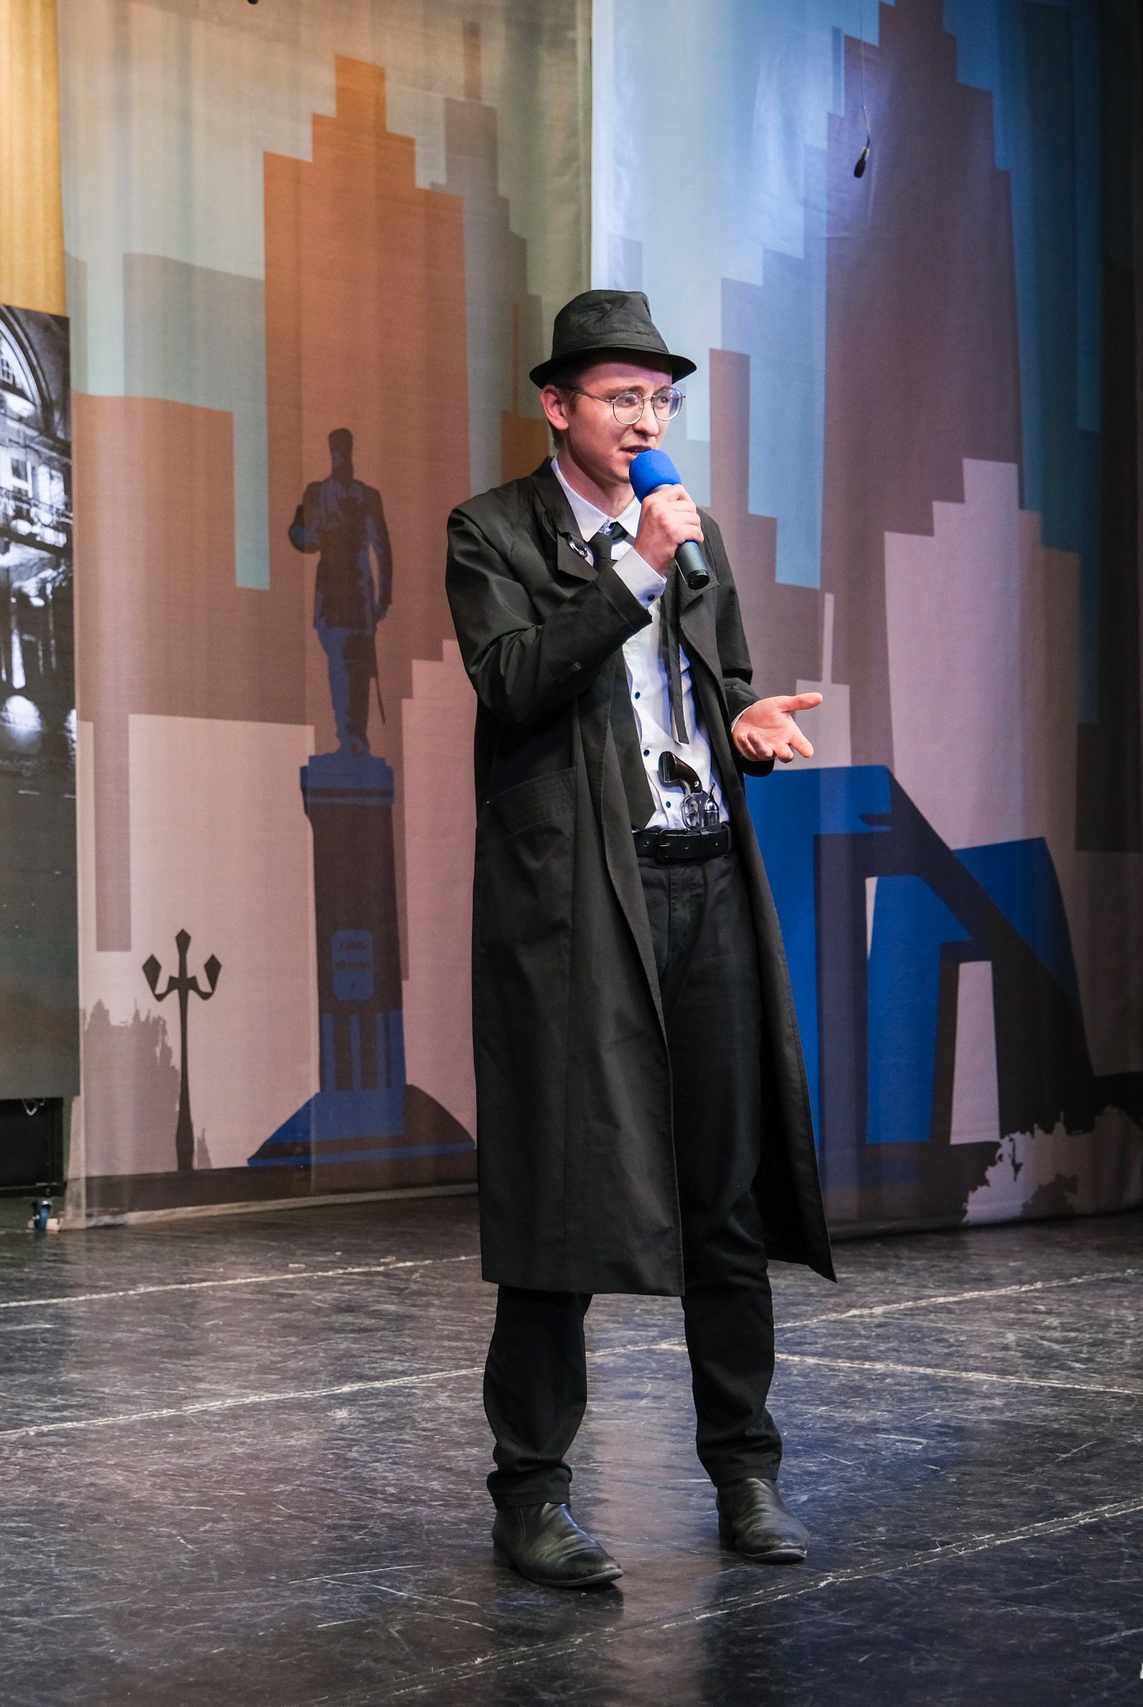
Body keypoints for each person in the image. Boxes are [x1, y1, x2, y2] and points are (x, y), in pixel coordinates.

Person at [443, 289, 833, 1590]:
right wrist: (633, 570)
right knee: (562, 1193)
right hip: (577, 900)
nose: (646, 421)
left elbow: (713, 692)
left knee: (725, 1192)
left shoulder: (689, 536)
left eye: (659, 400)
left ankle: (746, 1470)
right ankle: (530, 1493)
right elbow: (512, 681)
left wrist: (748, 728)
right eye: (622, 398)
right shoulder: (493, 530)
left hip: (702, 872)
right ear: (558, 405)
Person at [290, 427, 393, 755]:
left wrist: (383, 598)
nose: (341, 456)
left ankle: (356, 738)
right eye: (336, 450)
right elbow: (307, 540)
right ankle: (346, 736)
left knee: (358, 668)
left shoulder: (367, 496)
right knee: (338, 664)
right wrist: (302, 524)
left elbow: (383, 548)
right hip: (332, 591)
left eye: (344, 449)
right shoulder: (317, 492)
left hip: (359, 592)